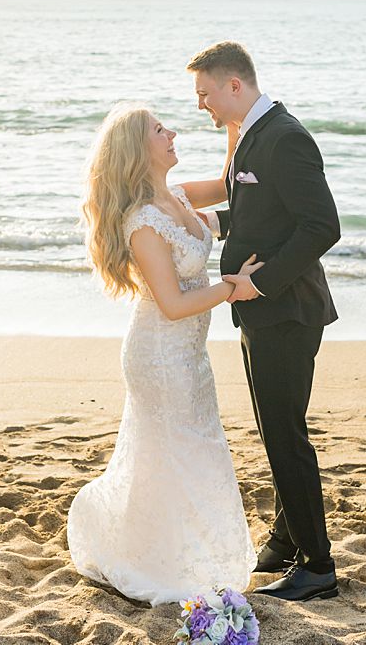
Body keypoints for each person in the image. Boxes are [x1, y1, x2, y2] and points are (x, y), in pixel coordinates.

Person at [66, 101, 259, 606]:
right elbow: (172, 305)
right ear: (139, 149)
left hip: (189, 356)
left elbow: (227, 186)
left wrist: (237, 121)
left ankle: (178, 548)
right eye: (159, 129)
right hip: (159, 354)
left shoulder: (176, 195)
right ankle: (157, 557)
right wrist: (231, 288)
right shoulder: (142, 222)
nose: (172, 132)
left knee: (190, 450)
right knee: (176, 452)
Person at [188, 41, 342, 602]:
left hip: (286, 310)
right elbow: (263, 216)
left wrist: (261, 281)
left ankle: (317, 566)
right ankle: (284, 537)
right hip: (259, 311)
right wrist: (212, 220)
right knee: (273, 428)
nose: (201, 105)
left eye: (205, 93)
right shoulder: (253, 134)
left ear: (234, 85)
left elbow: (322, 226)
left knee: (286, 434)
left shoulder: (285, 137)